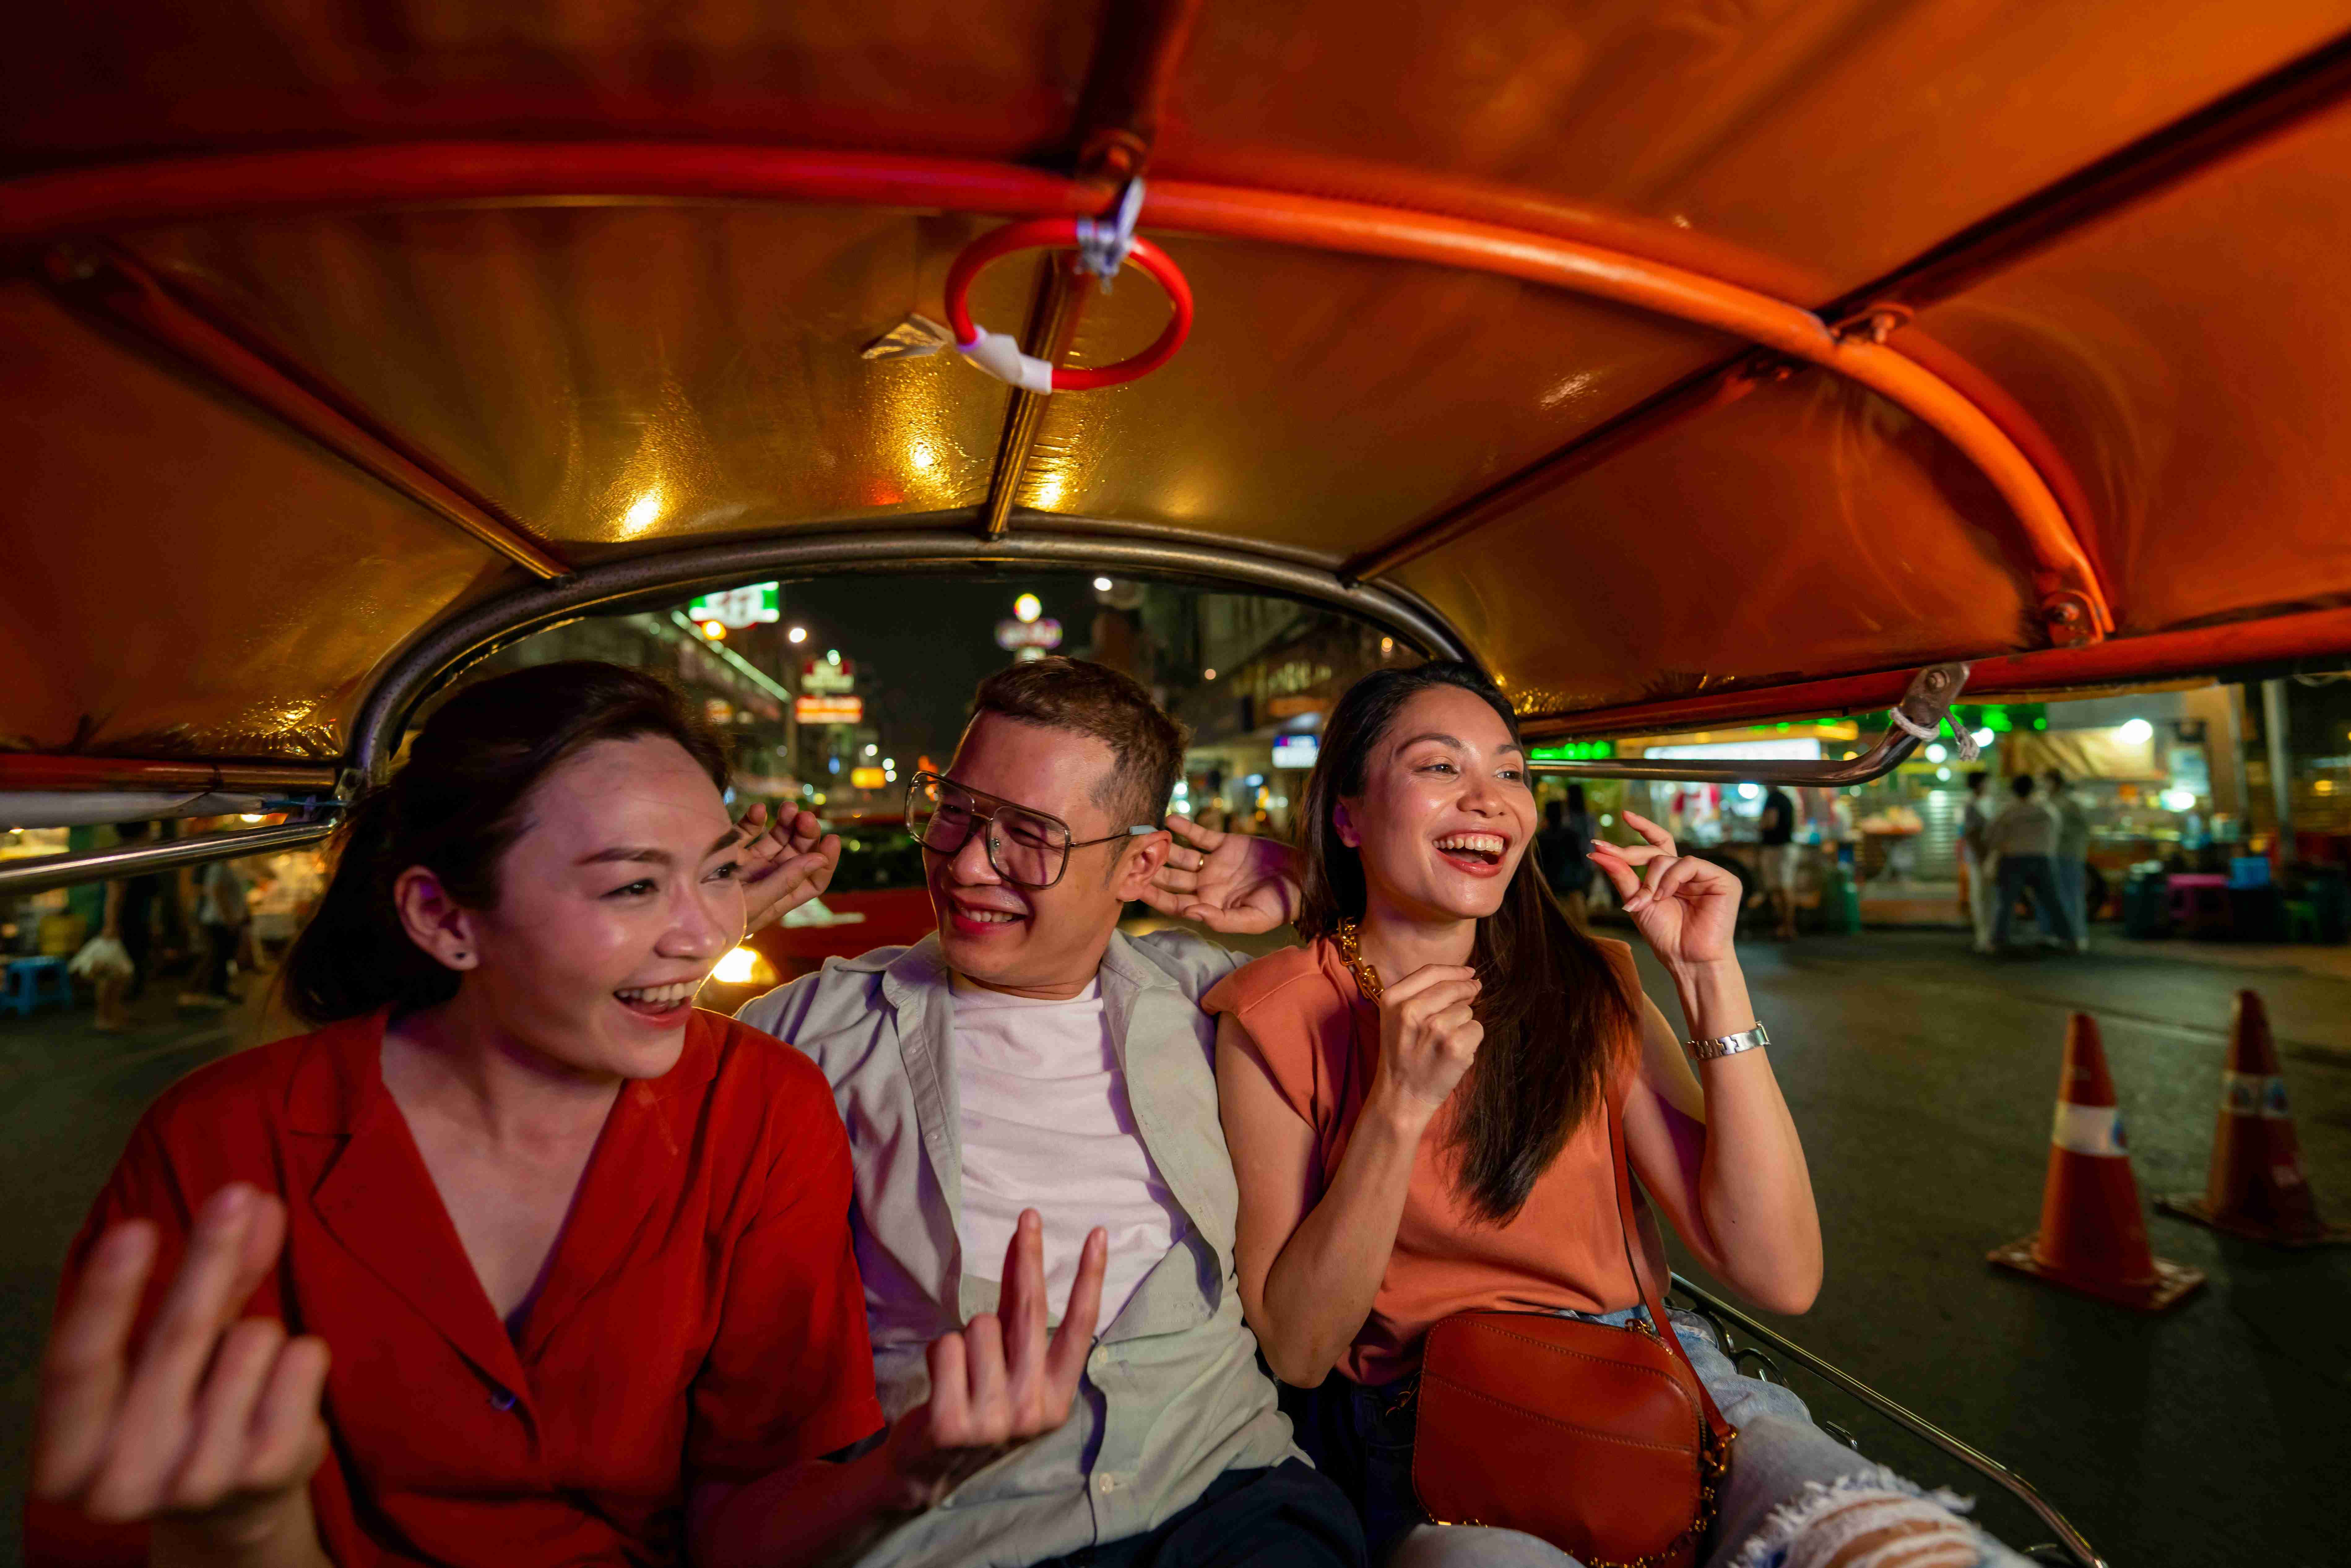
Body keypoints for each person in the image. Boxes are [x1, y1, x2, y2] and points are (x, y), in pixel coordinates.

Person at [27, 661, 1109, 1568]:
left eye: (717, 873)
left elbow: (744, 1514)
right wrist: (247, 1535)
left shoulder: (761, 1109)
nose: (705, 934)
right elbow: (104, 1525)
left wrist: (904, 1471)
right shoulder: (223, 1145)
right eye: (633, 888)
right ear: (444, 917)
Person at [1207, 661, 2028, 1568]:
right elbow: (1301, 1347)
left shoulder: (1586, 984)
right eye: (1439, 766)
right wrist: (1397, 1109)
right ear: (1349, 816)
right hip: (1429, 1427)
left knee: (1903, 1544)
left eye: (1510, 772)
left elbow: (1780, 1273)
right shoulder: (1274, 1013)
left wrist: (1710, 977)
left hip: (1652, 1382)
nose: (1488, 798)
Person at [737, 657, 1366, 1568]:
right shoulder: (816, 1030)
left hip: (1226, 1491)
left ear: (1140, 862)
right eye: (955, 811)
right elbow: (598, 1091)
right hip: (969, 1525)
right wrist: (707, 918)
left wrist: (1316, 884)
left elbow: (1474, 1008)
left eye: (1030, 836)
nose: (966, 864)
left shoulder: (1213, 998)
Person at [1985, 774, 2076, 953]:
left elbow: (1992, 837)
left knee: (2006, 903)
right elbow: (2056, 832)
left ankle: (1998, 941)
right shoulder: (2046, 811)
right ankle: (2069, 940)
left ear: (2014, 791)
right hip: (2042, 860)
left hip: (2013, 860)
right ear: (2033, 789)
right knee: (2053, 901)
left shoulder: (2007, 812)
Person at [93, 822, 159, 1032]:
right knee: (114, 971)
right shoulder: (126, 855)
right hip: (125, 922)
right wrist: (111, 925)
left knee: (123, 971)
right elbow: (115, 893)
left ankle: (116, 1013)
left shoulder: (138, 854)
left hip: (132, 920)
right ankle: (105, 1016)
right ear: (143, 831)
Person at [179, 849, 251, 1009]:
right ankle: (209, 992)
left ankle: (219, 991)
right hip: (218, 921)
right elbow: (217, 893)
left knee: (222, 957)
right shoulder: (218, 868)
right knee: (216, 957)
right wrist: (229, 919)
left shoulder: (227, 867)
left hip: (224, 920)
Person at [2043, 769, 2092, 952]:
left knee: (2071, 896)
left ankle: (2077, 937)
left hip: (2069, 855)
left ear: (2055, 783)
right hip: (2052, 855)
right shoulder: (2048, 802)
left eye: (2046, 781)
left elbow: (2084, 829)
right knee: (2054, 897)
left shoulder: (2071, 804)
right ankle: (2056, 936)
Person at [1531, 790, 1594, 925]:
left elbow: (1539, 861)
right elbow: (1579, 858)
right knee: (1578, 919)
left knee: (1554, 920)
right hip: (1572, 882)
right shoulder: (1571, 834)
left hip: (1551, 883)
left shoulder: (1542, 837)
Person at [1959, 771, 1997, 955]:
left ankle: (1989, 936)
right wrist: (1984, 858)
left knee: (1989, 897)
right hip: (1980, 858)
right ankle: (1984, 939)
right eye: (1987, 782)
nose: (1990, 786)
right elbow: (1972, 835)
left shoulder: (1987, 803)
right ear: (1980, 784)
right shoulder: (1971, 805)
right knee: (1982, 897)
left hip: (1988, 857)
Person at [1756, 783, 1799, 940]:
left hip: (1777, 848)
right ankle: (1786, 928)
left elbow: (1771, 822)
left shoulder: (1773, 799)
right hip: (1785, 847)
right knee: (1783, 887)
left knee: (1780, 888)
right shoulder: (1786, 799)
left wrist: (1759, 826)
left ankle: (1787, 928)